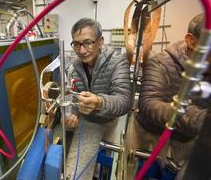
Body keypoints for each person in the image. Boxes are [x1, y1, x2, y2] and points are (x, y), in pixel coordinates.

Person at [127, 13, 211, 179]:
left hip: (185, 142)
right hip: (149, 138)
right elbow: (149, 104)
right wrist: (198, 119)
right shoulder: (161, 63)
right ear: (191, 40)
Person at [65, 18, 132, 179]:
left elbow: (124, 101)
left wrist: (100, 102)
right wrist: (72, 113)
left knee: (104, 160)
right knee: (81, 168)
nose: (81, 50)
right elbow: (73, 93)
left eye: (87, 43)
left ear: (100, 42)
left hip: (107, 121)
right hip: (86, 122)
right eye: (76, 44)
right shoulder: (75, 66)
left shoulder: (117, 62)